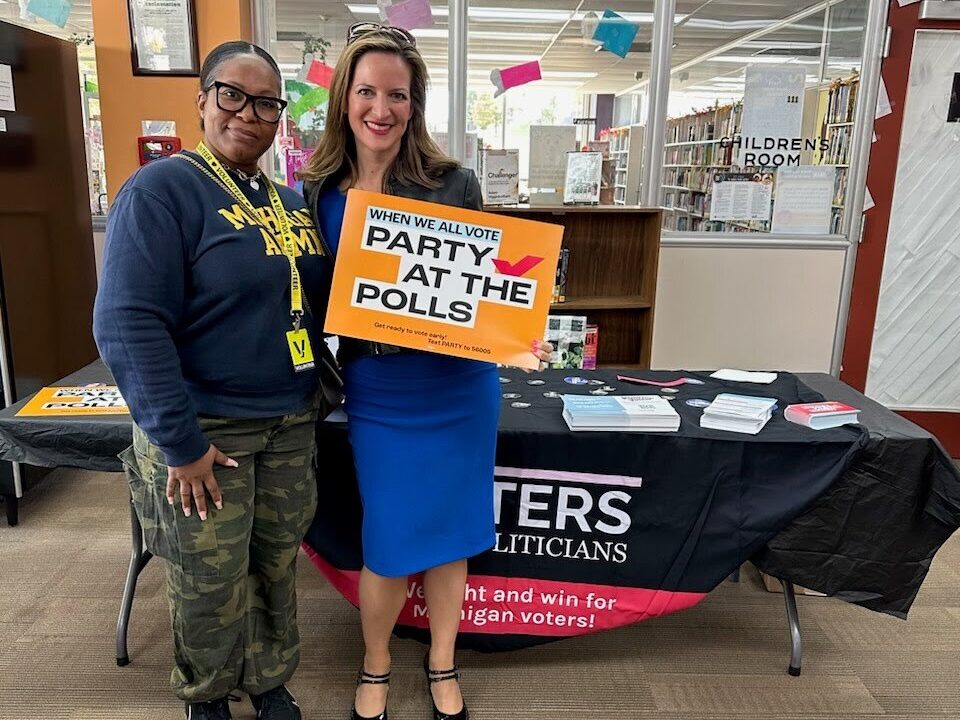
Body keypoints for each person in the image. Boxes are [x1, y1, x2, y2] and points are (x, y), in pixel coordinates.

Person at [300, 23, 552, 720]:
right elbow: (308, 297)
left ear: (415, 105)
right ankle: (376, 663)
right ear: (345, 99)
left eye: (398, 95)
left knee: (451, 534)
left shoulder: (451, 183)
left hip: (457, 389)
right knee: (388, 538)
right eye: (368, 92)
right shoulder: (314, 192)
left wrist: (518, 335)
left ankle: (442, 661)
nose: (382, 109)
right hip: (380, 391)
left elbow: (485, 290)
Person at [94, 41, 339, 720]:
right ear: (202, 100)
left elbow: (317, 305)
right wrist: (179, 442)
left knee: (273, 564)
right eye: (232, 95)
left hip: (289, 422)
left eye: (266, 103)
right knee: (208, 577)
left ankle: (266, 679)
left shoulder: (291, 204)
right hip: (206, 431)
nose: (248, 114)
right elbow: (126, 324)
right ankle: (206, 695)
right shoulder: (163, 189)